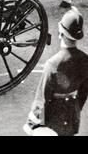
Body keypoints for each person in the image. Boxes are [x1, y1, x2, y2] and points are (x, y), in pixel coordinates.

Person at [24, 7, 88, 136]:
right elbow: (83, 92)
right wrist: (75, 110)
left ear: (61, 33)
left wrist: (32, 124)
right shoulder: (85, 60)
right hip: (72, 115)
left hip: (53, 118)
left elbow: (41, 98)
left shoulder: (52, 64)